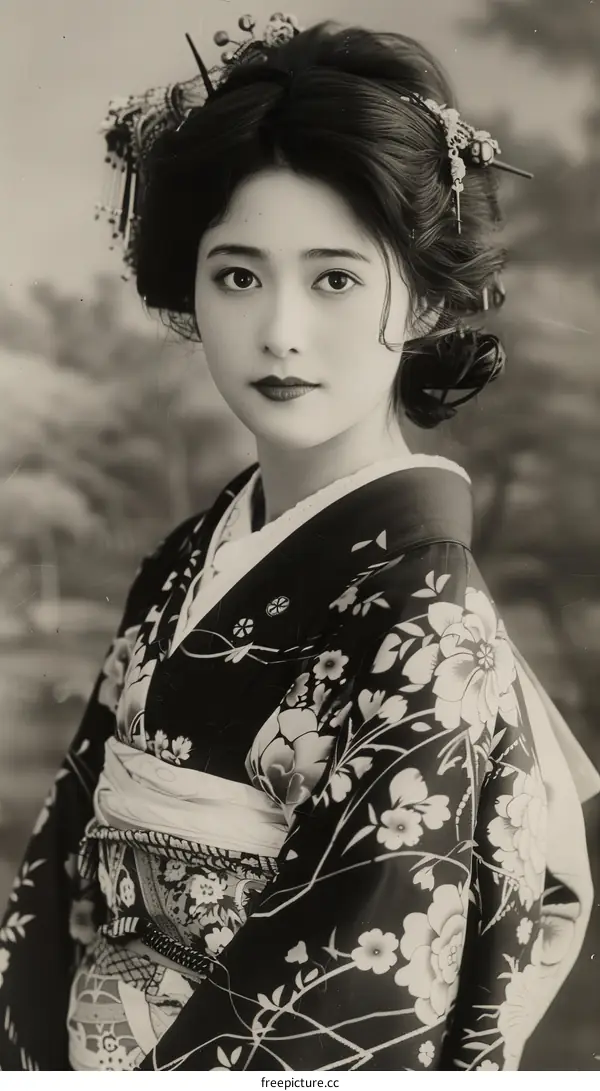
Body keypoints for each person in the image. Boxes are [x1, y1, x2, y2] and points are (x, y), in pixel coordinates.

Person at [0, 14, 597, 1073]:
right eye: (238, 275)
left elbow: (357, 983)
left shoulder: (427, 617)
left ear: (416, 296)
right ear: (188, 286)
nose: (280, 330)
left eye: (334, 279)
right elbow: (59, 874)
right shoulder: (185, 559)